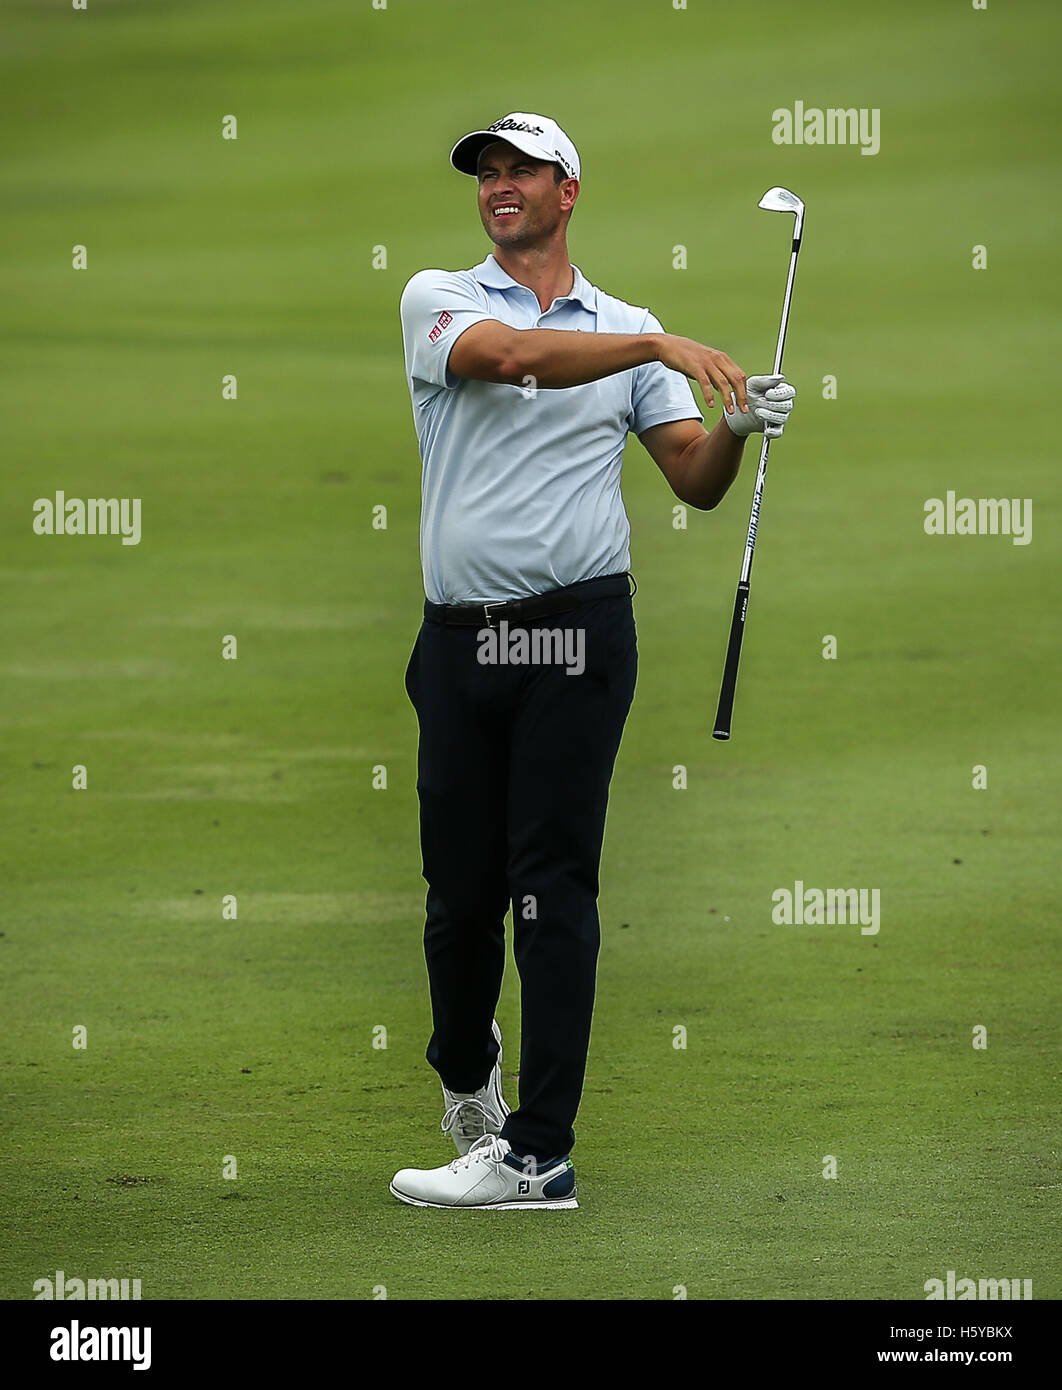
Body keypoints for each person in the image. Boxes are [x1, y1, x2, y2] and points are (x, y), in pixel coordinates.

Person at [392, 112, 796, 1210]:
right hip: (459, 639)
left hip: (575, 635)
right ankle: (468, 1082)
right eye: (487, 170)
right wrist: (661, 347)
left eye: (522, 169)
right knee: (458, 897)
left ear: (570, 191)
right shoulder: (443, 298)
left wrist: (739, 429)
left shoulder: (623, 325)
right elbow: (515, 358)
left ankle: (537, 1154)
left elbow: (693, 479)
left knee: (552, 886)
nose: (499, 184)